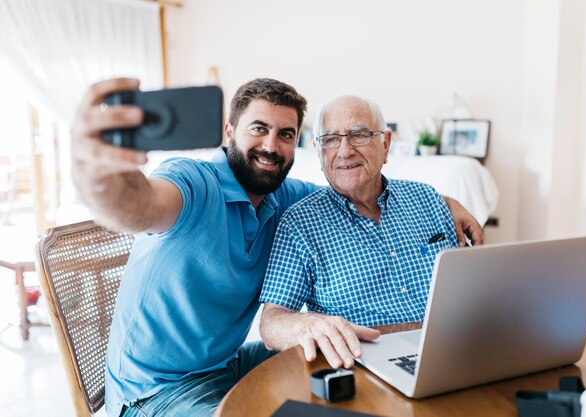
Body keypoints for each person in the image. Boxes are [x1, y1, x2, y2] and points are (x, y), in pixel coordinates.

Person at [70, 78, 483, 416]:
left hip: (227, 363)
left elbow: (354, 184)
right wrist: (100, 174)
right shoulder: (194, 183)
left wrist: (449, 204)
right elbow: (138, 205)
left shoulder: (283, 198)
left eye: (286, 134)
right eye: (258, 129)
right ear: (230, 132)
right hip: (158, 389)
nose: (271, 145)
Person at [259, 95, 459, 370]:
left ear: (386, 144)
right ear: (318, 151)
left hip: (454, 350)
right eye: (330, 139)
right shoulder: (300, 223)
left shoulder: (427, 199)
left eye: (359, 135)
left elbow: (472, 288)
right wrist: (306, 324)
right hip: (362, 366)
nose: (345, 151)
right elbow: (271, 323)